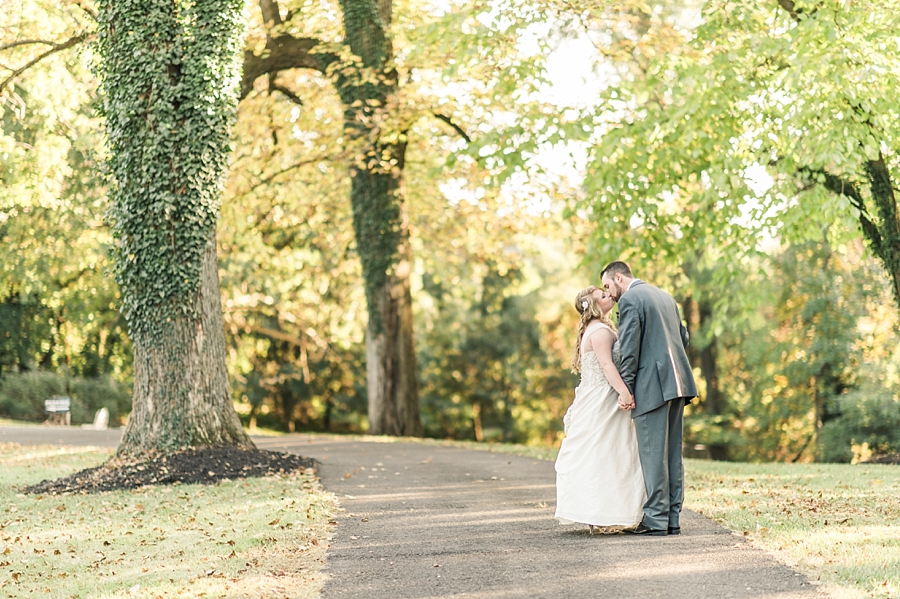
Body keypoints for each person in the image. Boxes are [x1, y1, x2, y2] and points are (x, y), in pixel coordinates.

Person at [600, 261, 697, 536]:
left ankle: (655, 519)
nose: (610, 292)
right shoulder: (665, 296)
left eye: (608, 286)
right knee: (672, 453)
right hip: (678, 381)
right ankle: (672, 519)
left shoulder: (630, 299)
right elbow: (683, 337)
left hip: (651, 386)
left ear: (618, 277)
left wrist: (627, 388)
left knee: (654, 454)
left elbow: (629, 347)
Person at [554, 285, 646, 533]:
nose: (609, 296)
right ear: (594, 306)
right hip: (603, 397)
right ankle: (605, 513)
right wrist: (624, 392)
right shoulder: (601, 332)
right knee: (609, 451)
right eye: (603, 296)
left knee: (603, 451)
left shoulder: (594, 329)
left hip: (594, 395)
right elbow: (607, 366)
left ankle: (602, 513)